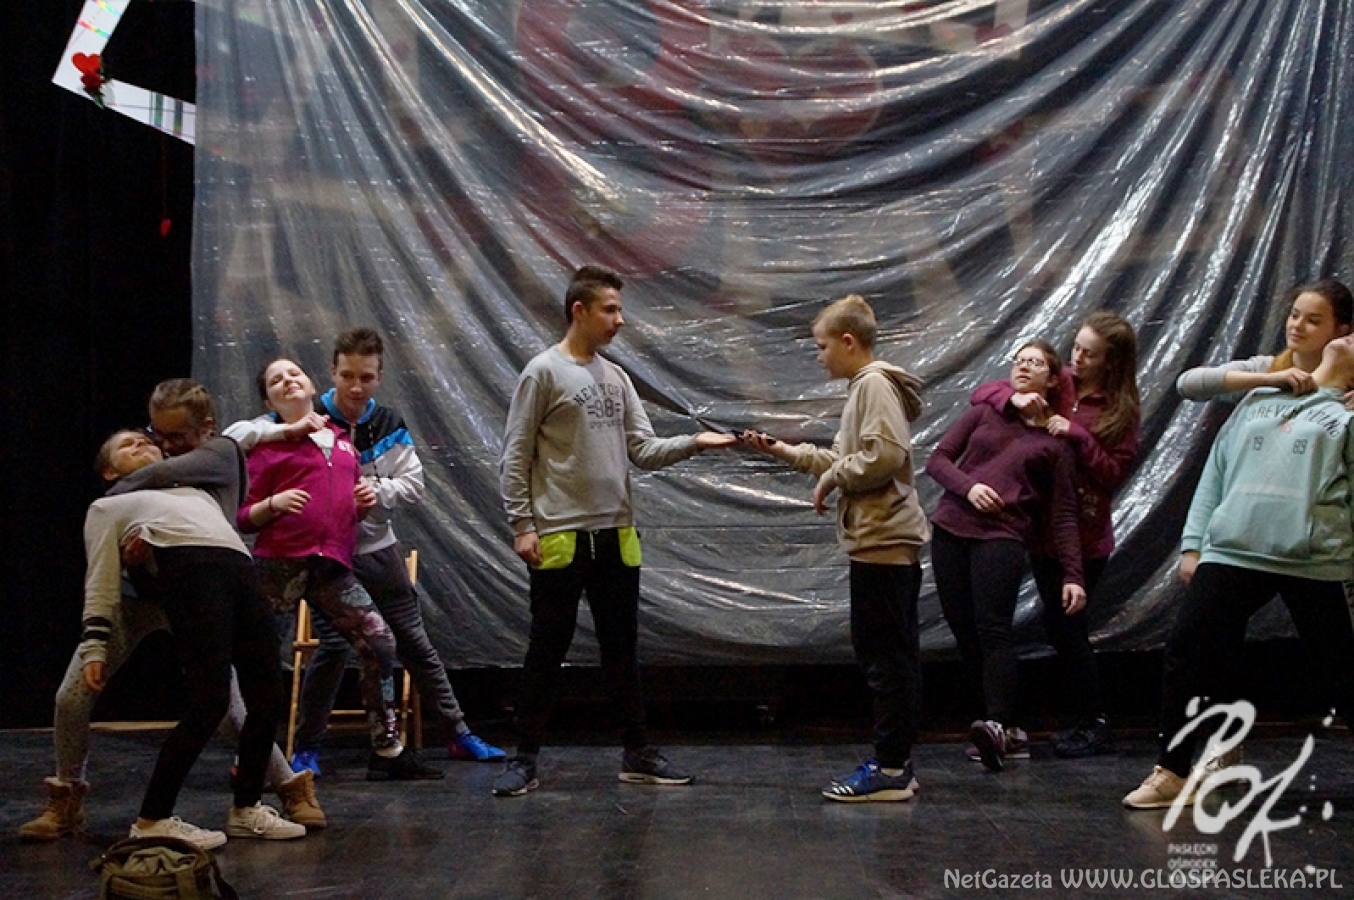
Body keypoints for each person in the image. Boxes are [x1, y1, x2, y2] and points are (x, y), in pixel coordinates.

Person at [18, 382, 323, 844]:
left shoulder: (205, 473)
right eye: (132, 443)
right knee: (72, 696)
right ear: (107, 470)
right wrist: (128, 566)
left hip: (199, 592)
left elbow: (231, 459)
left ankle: (282, 788)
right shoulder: (117, 505)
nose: (148, 444)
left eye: (152, 441)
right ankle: (66, 797)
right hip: (135, 601)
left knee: (235, 706)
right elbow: (101, 576)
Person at [493, 265, 737, 797]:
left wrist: (694, 443)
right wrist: (522, 525)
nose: (620, 320)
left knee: (622, 649)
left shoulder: (617, 378)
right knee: (546, 649)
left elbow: (642, 451)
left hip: (617, 535)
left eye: (620, 309)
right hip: (561, 535)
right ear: (578, 311)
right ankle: (524, 758)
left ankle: (637, 753)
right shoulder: (543, 373)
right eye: (610, 309)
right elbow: (515, 455)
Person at [229, 329, 504, 772]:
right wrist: (285, 450)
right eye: (347, 376)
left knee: (403, 641)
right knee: (325, 649)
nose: (356, 387)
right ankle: (299, 749)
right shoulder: (289, 426)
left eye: (366, 377)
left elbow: (412, 484)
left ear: (379, 378)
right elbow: (238, 443)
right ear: (331, 374)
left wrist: (375, 492)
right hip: (304, 559)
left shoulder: (364, 431)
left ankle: (446, 735)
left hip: (364, 550)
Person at [1123, 335, 1354, 809]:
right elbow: (1217, 468)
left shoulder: (1347, 415)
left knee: (1340, 671)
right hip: (1235, 548)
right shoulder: (1261, 392)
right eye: (1296, 314)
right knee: (1187, 649)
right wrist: (1195, 542)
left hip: (1310, 557)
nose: (1348, 339)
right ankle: (1171, 772)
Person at [742, 295, 929, 802]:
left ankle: (891, 768)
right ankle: (895, 762)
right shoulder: (863, 388)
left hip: (884, 542)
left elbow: (884, 456)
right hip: (877, 542)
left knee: (886, 660)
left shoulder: (872, 385)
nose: (819, 357)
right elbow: (848, 457)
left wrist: (831, 477)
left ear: (849, 342)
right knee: (887, 656)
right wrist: (787, 452)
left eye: (822, 346)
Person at [237, 358, 441, 781]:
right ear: (269, 401)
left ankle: (386, 749)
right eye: (276, 380)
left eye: (294, 373)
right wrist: (273, 504)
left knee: (379, 642)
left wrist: (362, 503)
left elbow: (348, 504)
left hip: (331, 566)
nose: (287, 381)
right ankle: (252, 757)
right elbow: (242, 516)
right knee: (260, 659)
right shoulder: (265, 443)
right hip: (279, 566)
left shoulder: (342, 441)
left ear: (313, 385)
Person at [969, 312, 1140, 757]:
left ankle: (1093, 719)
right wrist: (1016, 400)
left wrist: (1078, 435)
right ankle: (1072, 716)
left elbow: (1113, 473)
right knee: (1057, 626)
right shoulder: (1058, 380)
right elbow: (986, 392)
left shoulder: (1119, 409)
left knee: (1067, 627)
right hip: (1040, 526)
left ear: (1111, 362)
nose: (1077, 358)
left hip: (1083, 534)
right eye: (1076, 348)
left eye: (1089, 354)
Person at [925, 341, 1086, 772]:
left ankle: (997, 723)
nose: (1024, 367)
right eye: (1019, 360)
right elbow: (938, 460)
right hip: (951, 527)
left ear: (1052, 379)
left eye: (1035, 362)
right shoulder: (987, 410)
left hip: (1002, 535)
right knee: (964, 628)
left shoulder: (1055, 444)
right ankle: (1004, 726)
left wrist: (1073, 574)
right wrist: (969, 487)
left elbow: (1064, 514)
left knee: (993, 628)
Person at [1176, 280, 1354, 401]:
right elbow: (1187, 383)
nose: (1297, 326)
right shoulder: (1266, 367)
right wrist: (1269, 379)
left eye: (1313, 321)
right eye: (1294, 315)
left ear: (1341, 331)